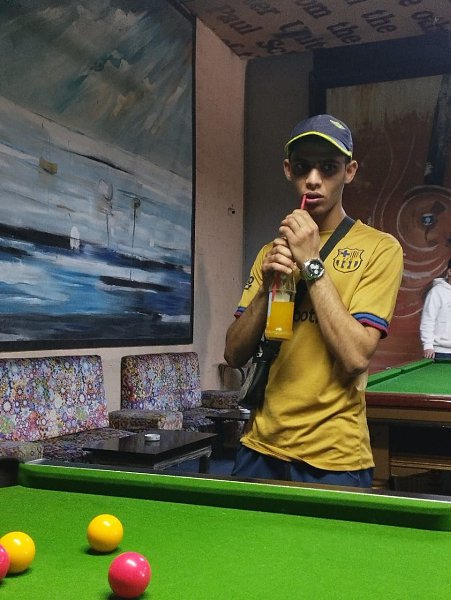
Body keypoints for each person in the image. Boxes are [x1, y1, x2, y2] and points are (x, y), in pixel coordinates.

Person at [224, 114, 404, 488]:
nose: (313, 179)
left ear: (349, 172)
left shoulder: (380, 248)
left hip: (334, 456)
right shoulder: (270, 252)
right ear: (288, 170)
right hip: (259, 448)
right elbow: (234, 353)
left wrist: (311, 262)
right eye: (303, 166)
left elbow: (355, 357)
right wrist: (267, 288)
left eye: (328, 168)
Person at [420, 258, 451, 360]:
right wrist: (427, 346)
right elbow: (428, 320)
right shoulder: (436, 292)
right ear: (449, 272)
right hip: (440, 352)